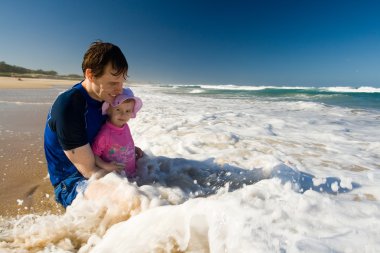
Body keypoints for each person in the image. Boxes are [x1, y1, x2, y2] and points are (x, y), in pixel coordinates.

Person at [44, 41, 142, 208]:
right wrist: (130, 188)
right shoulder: (70, 105)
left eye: (121, 82)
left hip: (99, 164)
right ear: (90, 75)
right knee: (132, 203)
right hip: (72, 182)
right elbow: (90, 171)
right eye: (113, 82)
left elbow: (108, 134)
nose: (119, 89)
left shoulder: (105, 100)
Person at [91, 88, 143, 178]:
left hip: (131, 174)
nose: (123, 114)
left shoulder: (125, 126)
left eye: (127, 111)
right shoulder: (105, 134)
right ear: (108, 110)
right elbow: (94, 155)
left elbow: (121, 144)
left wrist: (134, 148)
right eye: (118, 109)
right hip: (118, 178)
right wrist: (106, 166)